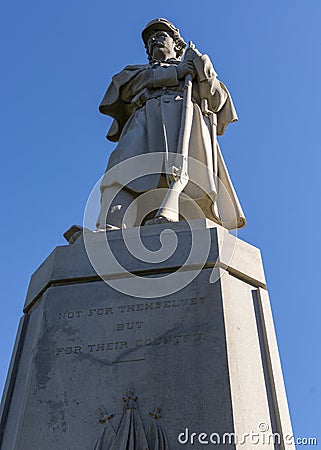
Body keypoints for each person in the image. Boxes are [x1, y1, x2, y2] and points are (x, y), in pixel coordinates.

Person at [96, 18, 246, 230]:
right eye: (150, 39)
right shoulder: (134, 72)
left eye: (161, 35)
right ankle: (110, 226)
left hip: (186, 122)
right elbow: (124, 88)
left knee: (189, 178)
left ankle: (182, 220)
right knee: (122, 173)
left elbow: (217, 101)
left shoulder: (194, 70)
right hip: (144, 121)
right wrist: (175, 72)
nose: (154, 40)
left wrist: (204, 70)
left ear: (176, 44)